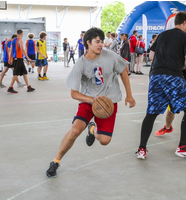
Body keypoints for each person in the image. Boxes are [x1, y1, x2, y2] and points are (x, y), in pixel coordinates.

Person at [45, 27, 136, 178]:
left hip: (108, 103)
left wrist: (129, 95)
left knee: (105, 141)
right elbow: (74, 93)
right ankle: (56, 161)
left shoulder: (110, 56)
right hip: (88, 101)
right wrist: (92, 100)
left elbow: (123, 70)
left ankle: (92, 129)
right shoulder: (80, 63)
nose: (101, 44)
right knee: (75, 130)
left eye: (102, 41)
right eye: (97, 42)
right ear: (88, 43)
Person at [136, 12, 186, 160]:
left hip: (155, 76)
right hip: (173, 76)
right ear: (183, 22)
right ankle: (182, 147)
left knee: (151, 112)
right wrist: (180, 66)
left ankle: (141, 149)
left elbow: (151, 56)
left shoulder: (162, 35)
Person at [155, 51, 186, 149]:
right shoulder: (177, 54)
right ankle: (168, 128)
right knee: (170, 113)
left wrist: (173, 64)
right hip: (178, 89)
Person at [7, 29, 35, 93]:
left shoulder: (13, 40)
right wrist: (27, 58)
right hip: (18, 59)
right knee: (15, 74)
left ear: (17, 34)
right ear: (22, 34)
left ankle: (28, 87)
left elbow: (10, 50)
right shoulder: (20, 40)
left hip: (16, 59)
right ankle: (10, 87)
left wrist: (10, 59)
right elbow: (22, 49)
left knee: (25, 73)